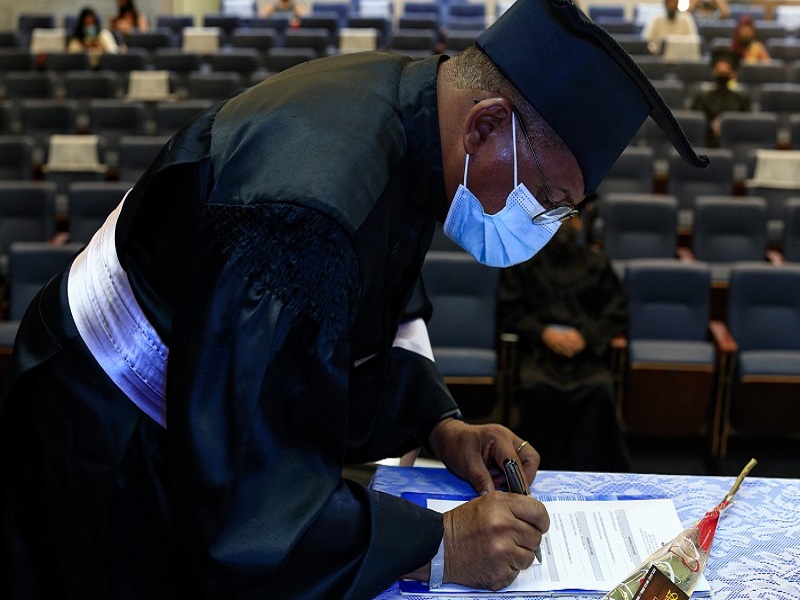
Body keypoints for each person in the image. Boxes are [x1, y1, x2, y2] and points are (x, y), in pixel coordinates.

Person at [0, 0, 708, 597]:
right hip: (107, 432)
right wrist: (439, 544)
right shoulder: (306, 208)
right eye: (544, 196)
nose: (543, 225)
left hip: (183, 394)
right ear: (487, 125)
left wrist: (442, 428)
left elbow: (354, 313)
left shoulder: (414, 115)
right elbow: (250, 500)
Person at [497, 214, 631, 472]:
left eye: (571, 217)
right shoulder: (525, 262)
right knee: (536, 389)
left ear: (581, 223)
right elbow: (510, 311)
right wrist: (543, 333)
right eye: (557, 216)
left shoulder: (597, 265)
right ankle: (534, 470)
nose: (564, 224)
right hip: (540, 354)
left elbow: (617, 312)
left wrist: (586, 337)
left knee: (599, 389)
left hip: (585, 356)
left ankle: (593, 473)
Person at [691, 51, 751, 146]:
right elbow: (696, 123)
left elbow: (746, 125)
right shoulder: (702, 97)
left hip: (734, 140)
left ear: (732, 74)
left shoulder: (741, 99)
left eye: (727, 70)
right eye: (719, 69)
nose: (723, 72)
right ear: (714, 72)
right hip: (707, 141)